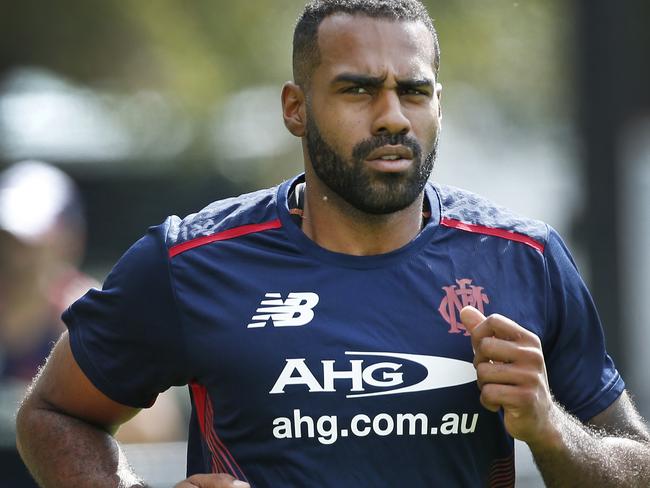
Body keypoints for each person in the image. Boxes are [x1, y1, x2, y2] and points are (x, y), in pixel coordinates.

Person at [15, 0, 650, 486]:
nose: (392, 116)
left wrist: (553, 433)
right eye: (357, 89)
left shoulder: (524, 259)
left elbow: (636, 463)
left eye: (414, 90)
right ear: (296, 108)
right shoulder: (191, 262)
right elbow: (53, 414)